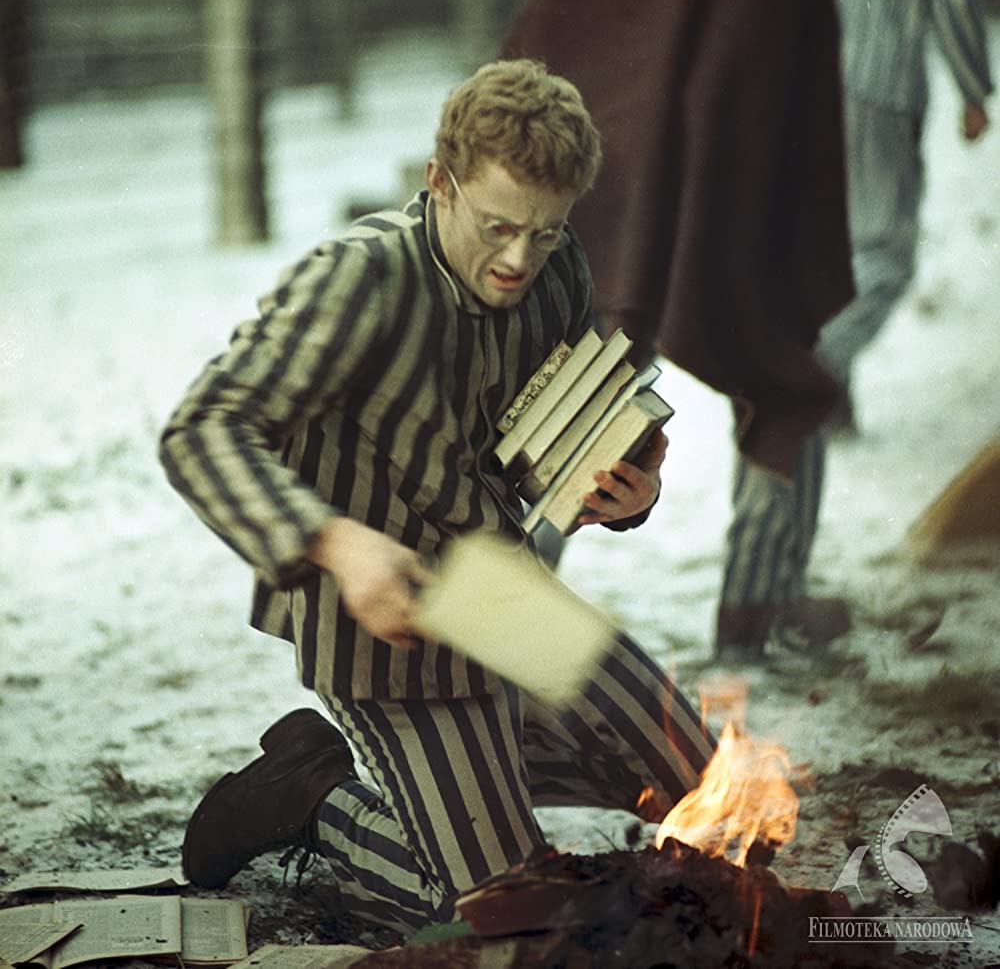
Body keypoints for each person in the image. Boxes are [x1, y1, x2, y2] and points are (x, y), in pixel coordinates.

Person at [159, 59, 716, 936]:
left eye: (544, 230)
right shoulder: (358, 279)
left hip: (499, 592)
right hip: (382, 631)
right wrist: (337, 545)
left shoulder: (555, 265)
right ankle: (311, 794)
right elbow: (202, 430)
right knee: (503, 913)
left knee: (707, 781)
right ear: (438, 182)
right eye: (497, 226)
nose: (518, 258)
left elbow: (562, 436)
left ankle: (464, 785)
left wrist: (629, 487)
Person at [503, 0, 856, 657]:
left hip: (605, 169)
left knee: (585, 380)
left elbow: (548, 35)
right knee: (781, 366)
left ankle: (503, 617)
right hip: (707, 169)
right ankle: (756, 617)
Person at [818, 0, 994, 432]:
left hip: (808, 84)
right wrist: (973, 86)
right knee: (883, 256)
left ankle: (830, 399)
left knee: (832, 247)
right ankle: (814, 370)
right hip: (881, 85)